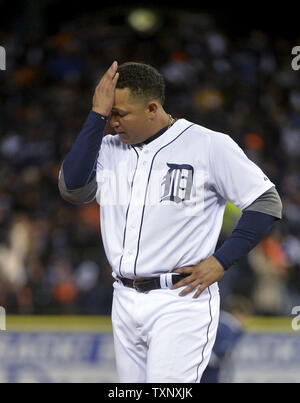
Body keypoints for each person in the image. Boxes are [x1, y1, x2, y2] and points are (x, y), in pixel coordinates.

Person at [58, 61, 282, 383]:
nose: (114, 122)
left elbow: (266, 201)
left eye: (120, 113)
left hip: (180, 300)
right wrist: (96, 114)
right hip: (124, 296)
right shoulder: (107, 147)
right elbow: (73, 188)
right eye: (110, 114)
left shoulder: (207, 144)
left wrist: (221, 260)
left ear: (152, 108)